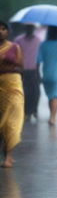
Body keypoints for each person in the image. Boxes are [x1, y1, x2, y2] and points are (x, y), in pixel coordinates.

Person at [0, 21, 24, 168]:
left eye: (3, 29)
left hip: (13, 85)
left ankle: (8, 157)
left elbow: (21, 66)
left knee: (12, 121)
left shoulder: (15, 47)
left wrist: (7, 66)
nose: (0, 31)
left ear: (8, 32)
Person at [37, 26, 57, 125]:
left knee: (50, 96)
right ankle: (53, 117)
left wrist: (38, 74)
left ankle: (51, 115)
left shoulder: (43, 45)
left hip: (47, 73)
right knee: (55, 96)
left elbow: (38, 61)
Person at [15, 24, 41, 120]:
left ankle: (34, 109)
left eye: (31, 28)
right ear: (25, 29)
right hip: (22, 70)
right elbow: (15, 54)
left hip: (35, 69)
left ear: (33, 29)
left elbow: (40, 55)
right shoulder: (18, 40)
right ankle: (26, 111)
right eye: (28, 28)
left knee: (35, 91)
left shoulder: (38, 40)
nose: (30, 30)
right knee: (24, 91)